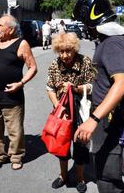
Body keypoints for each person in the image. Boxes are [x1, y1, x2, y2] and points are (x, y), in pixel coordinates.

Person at [72, 0, 124, 193]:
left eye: (84, 23)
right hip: (114, 115)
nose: (84, 29)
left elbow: (122, 83)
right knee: (104, 166)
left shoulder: (112, 43)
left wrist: (94, 119)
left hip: (109, 119)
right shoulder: (119, 39)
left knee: (107, 178)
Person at [0, 14, 37, 171]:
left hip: (13, 95)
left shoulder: (21, 44)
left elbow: (33, 67)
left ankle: (16, 156)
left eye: (0, 25)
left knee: (15, 129)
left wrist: (21, 83)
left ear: (10, 29)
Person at [46, 32, 96, 193]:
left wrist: (76, 88)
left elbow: (92, 85)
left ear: (74, 49)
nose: (65, 55)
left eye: (68, 51)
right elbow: (50, 88)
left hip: (81, 111)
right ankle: (63, 175)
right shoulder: (55, 64)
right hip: (62, 112)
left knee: (80, 144)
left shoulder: (85, 62)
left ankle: (80, 177)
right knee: (61, 144)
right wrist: (57, 107)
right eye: (61, 51)